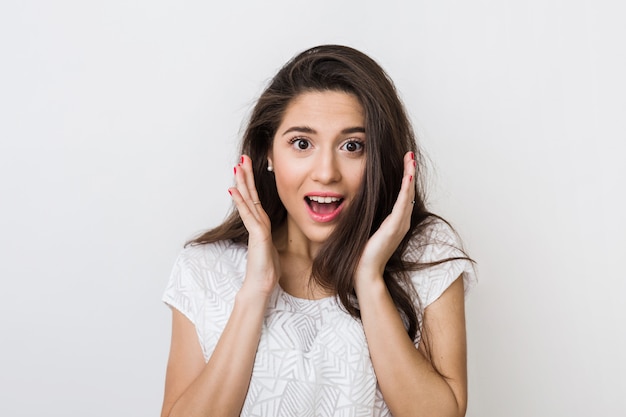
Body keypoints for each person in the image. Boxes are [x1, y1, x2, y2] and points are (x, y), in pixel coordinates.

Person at [160, 45, 477, 417]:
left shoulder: (426, 254)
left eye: (353, 146)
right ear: (267, 152)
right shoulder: (206, 269)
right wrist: (256, 289)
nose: (326, 172)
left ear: (380, 156)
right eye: (302, 143)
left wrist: (369, 279)